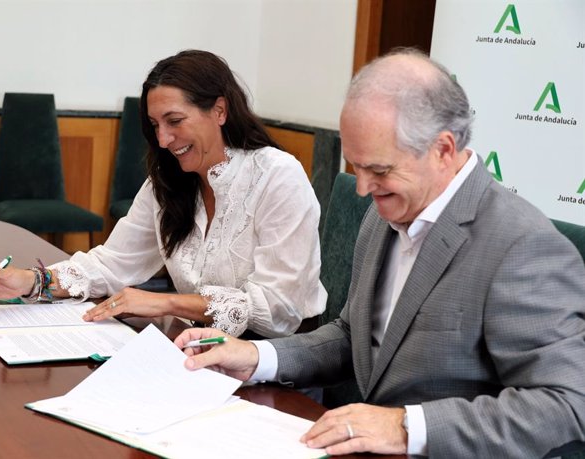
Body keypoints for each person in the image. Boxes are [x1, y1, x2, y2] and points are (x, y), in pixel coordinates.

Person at [174, 48, 585, 457]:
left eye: (380, 170)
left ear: (443, 149)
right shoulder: (383, 215)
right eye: (356, 167)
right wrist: (257, 356)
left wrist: (408, 427)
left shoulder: (520, 244)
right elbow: (355, 336)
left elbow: (567, 404)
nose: (363, 189)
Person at [0, 49, 326, 338]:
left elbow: (278, 309)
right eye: (155, 125)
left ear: (219, 110)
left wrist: (167, 303)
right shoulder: (169, 181)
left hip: (278, 363)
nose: (162, 140)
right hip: (199, 347)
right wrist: (33, 281)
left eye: (174, 121)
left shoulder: (277, 176)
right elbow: (113, 263)